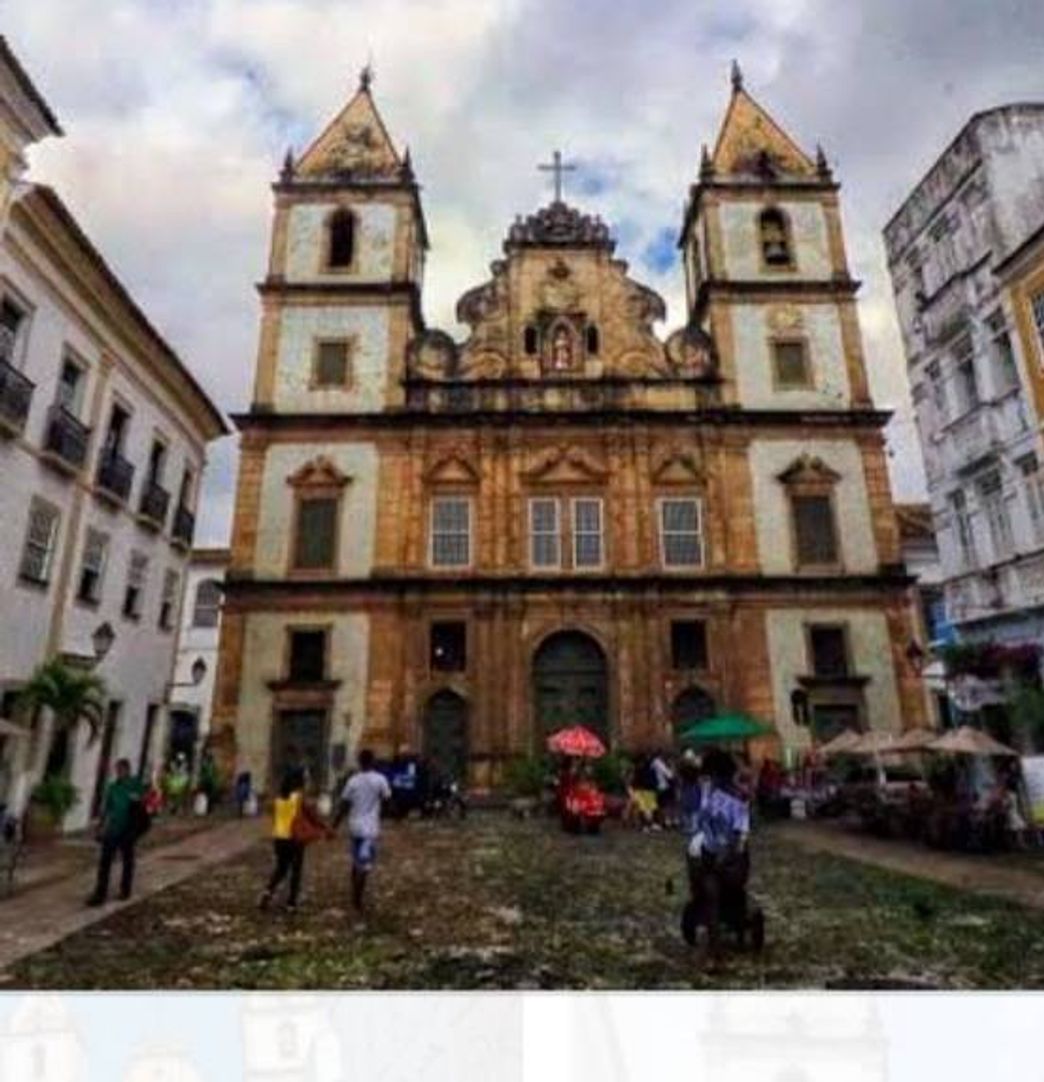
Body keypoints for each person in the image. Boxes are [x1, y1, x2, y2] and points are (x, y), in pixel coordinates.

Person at [685, 748, 755, 958]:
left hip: (732, 860)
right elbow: (698, 825)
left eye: (712, 776)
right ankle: (712, 939)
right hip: (711, 856)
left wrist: (728, 855)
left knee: (714, 887)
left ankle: (714, 945)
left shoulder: (736, 800)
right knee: (707, 886)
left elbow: (741, 834)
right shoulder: (708, 796)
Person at [331, 749, 392, 915]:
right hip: (369, 829)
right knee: (364, 866)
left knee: (356, 859)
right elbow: (387, 800)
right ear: (373, 761)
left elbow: (343, 805)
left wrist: (334, 826)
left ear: (359, 762)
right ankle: (357, 899)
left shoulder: (353, 781)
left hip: (354, 827)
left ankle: (354, 892)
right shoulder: (380, 780)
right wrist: (384, 813)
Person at [259, 766, 327, 913]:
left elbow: (271, 811)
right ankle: (291, 903)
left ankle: (267, 892)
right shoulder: (298, 798)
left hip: (279, 838)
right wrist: (325, 828)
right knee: (296, 871)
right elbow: (311, 816)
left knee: (281, 869)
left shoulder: (278, 798)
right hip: (294, 839)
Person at [87, 759, 145, 907]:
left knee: (127, 860)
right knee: (105, 861)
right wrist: (100, 826)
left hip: (128, 829)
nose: (118, 773)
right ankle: (100, 893)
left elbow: (142, 804)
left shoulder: (135, 785)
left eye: (121, 770)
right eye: (117, 770)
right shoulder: (113, 787)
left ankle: (125, 889)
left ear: (127, 770)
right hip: (113, 828)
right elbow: (107, 808)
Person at [650, 749, 676, 828]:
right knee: (663, 805)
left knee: (659, 805)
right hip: (661, 786)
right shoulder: (658, 763)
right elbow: (669, 774)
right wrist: (672, 769)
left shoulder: (653, 763)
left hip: (657, 786)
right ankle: (664, 821)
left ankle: (661, 821)